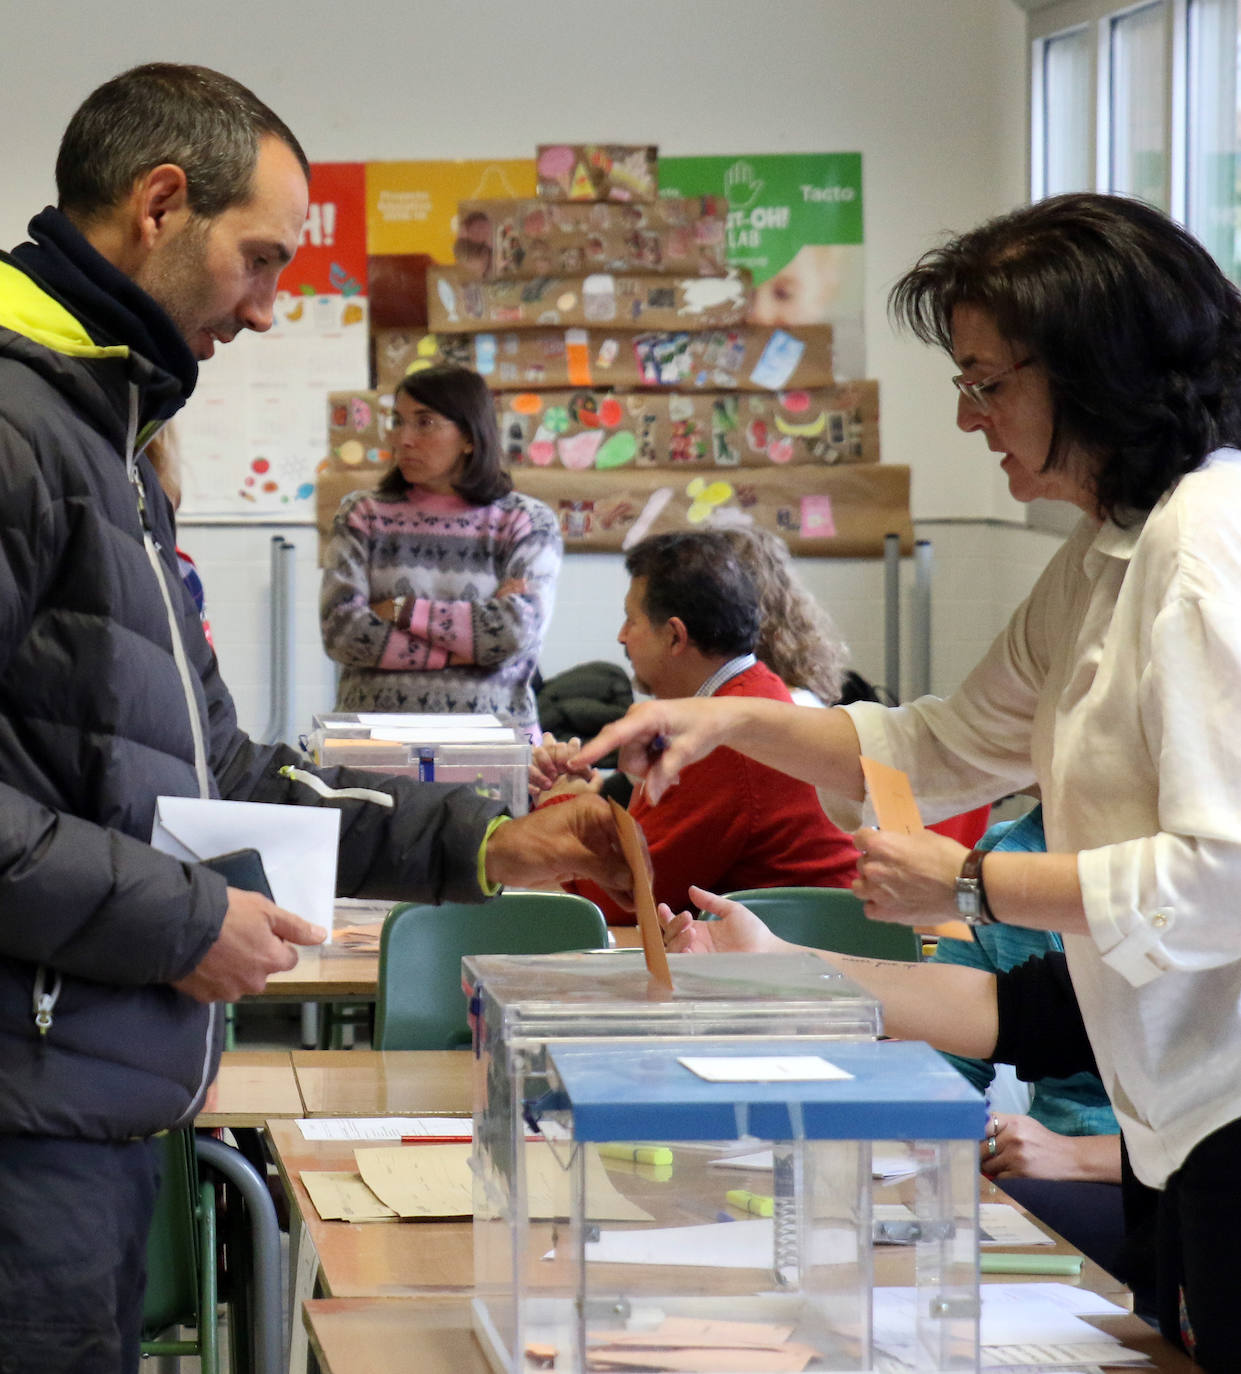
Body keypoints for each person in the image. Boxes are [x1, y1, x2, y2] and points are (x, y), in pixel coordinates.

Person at [0, 63, 629, 1374]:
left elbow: (217, 770)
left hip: (83, 1099)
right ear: (160, 204)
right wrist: (180, 917)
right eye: (261, 260)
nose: (274, 307)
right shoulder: (20, 426)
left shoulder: (103, 438)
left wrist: (483, 842)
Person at [577, 192, 1241, 1367]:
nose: (967, 414)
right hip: (1173, 1109)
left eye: (986, 383)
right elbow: (934, 744)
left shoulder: (1201, 554)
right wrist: (725, 714)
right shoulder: (1104, 553)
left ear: (1095, 372)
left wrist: (976, 884)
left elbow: (1220, 876)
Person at [536, 530, 858, 924]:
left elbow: (623, 898)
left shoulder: (727, 742)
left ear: (674, 636)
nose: (621, 636)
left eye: (630, 620)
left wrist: (560, 803)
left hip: (802, 963)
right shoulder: (750, 694)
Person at [320, 364, 560, 740]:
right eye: (397, 422)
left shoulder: (526, 522)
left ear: (469, 436)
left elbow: (513, 633)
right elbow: (342, 633)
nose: (403, 439)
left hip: (494, 748)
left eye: (425, 423)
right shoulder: (363, 515)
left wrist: (402, 610)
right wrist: (466, 651)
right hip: (375, 746)